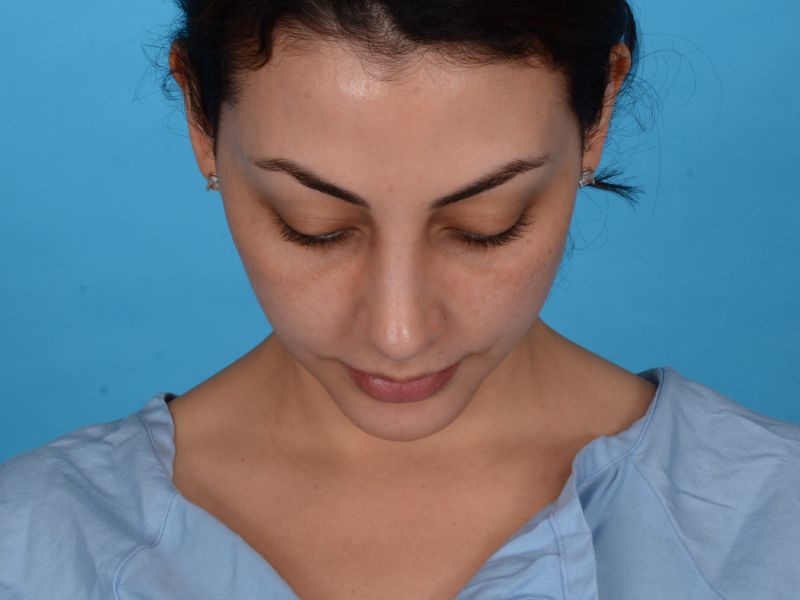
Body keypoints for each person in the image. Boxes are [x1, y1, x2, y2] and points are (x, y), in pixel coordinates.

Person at [1, 1, 799, 598]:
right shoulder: (34, 548)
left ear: (598, 114)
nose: (399, 334)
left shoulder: (774, 524)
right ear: (200, 116)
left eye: (487, 225)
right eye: (312, 226)